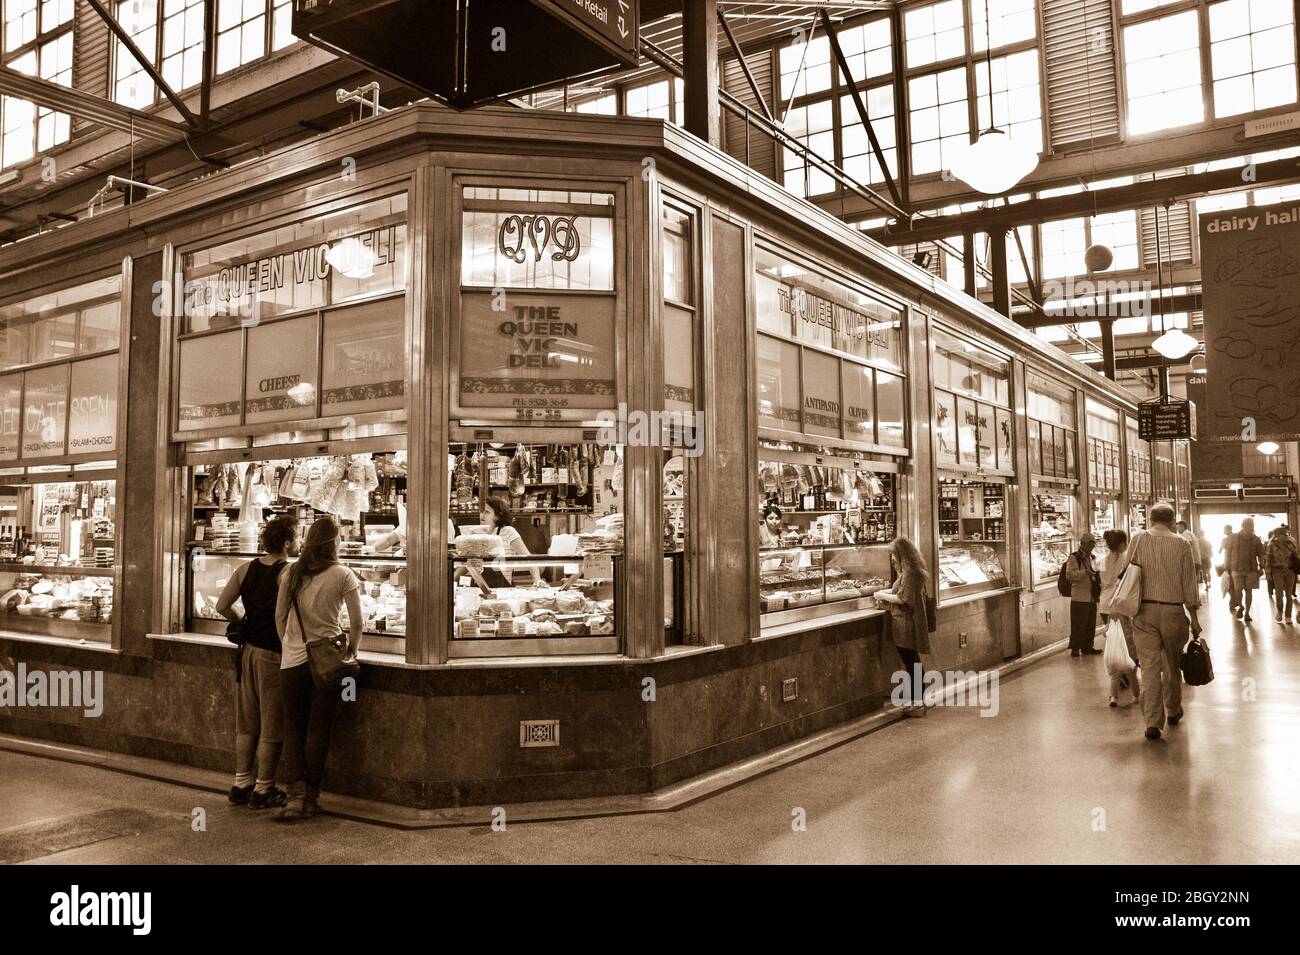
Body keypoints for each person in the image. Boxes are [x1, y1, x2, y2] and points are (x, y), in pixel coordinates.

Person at [274, 515, 363, 822]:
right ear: (334, 542)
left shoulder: (291, 572)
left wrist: (289, 645)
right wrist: (351, 652)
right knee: (319, 730)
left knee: (294, 729)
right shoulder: (343, 574)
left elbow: (279, 617)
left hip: (292, 663)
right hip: (327, 665)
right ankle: (311, 798)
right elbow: (357, 623)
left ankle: (293, 799)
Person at [216, 515, 296, 810]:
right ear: (287, 542)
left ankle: (240, 784)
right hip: (273, 655)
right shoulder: (288, 572)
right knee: (272, 723)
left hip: (246, 653)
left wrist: (242, 621)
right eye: (295, 538)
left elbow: (222, 606)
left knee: (247, 723)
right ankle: (263, 790)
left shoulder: (245, 568)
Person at [1116, 502, 1202, 740]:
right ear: (1172, 520)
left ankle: (1153, 722)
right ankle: (1173, 709)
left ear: (1151, 520)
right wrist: (1193, 617)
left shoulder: (1138, 539)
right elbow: (1189, 584)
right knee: (1172, 665)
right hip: (1173, 612)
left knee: (1150, 667)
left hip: (1144, 612)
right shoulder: (1182, 544)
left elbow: (1125, 572)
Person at [873, 536, 932, 717]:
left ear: (901, 555)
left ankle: (917, 701)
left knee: (911, 662)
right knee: (911, 661)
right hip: (904, 622)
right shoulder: (911, 572)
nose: (891, 559)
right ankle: (917, 700)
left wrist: (882, 596)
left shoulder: (910, 573)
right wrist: (883, 592)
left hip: (906, 624)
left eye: (893, 555)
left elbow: (902, 598)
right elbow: (898, 591)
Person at [1099, 529, 1140, 707]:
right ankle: (1128, 676)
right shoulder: (1126, 560)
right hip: (1121, 605)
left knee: (1114, 641)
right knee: (1128, 644)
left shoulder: (1101, 560)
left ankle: (1117, 679)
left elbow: (1101, 581)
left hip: (1105, 605)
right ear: (1123, 543)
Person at [1065, 533, 1102, 657]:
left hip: (1091, 596)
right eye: (1090, 544)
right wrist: (1085, 572)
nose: (1092, 547)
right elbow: (1070, 574)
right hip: (1079, 596)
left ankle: (1088, 646)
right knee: (1078, 624)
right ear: (1083, 544)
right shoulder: (1074, 557)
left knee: (1090, 623)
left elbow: (1097, 573)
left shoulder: (1093, 557)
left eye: (1093, 544)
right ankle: (1075, 648)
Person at [1225, 517, 1266, 622]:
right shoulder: (1233, 538)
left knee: (1249, 591)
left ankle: (1247, 613)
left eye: (1251, 525)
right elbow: (1228, 553)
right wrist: (1226, 567)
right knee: (1238, 590)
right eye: (1248, 525)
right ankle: (1240, 606)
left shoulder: (1256, 539)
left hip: (1251, 569)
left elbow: (1261, 554)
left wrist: (1262, 567)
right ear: (1243, 526)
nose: (1250, 527)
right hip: (1236, 569)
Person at [1265, 525, 1299, 622]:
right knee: (1279, 594)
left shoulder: (1291, 543)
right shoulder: (1271, 545)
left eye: (1286, 534)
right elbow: (1267, 560)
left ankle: (1288, 616)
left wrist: (1291, 545)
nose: (1285, 535)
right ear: (1277, 535)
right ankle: (1279, 611)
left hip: (1290, 571)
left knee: (1289, 594)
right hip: (1277, 571)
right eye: (1283, 534)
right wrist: (1267, 573)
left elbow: (1296, 555)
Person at [1195, 527, 1213, 591]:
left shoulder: (1197, 542)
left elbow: (1196, 551)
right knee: (1208, 572)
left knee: (1204, 573)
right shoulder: (1208, 542)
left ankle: (1206, 585)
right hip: (1207, 558)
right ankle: (1209, 583)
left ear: (1199, 534)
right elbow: (1211, 552)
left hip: (1202, 559)